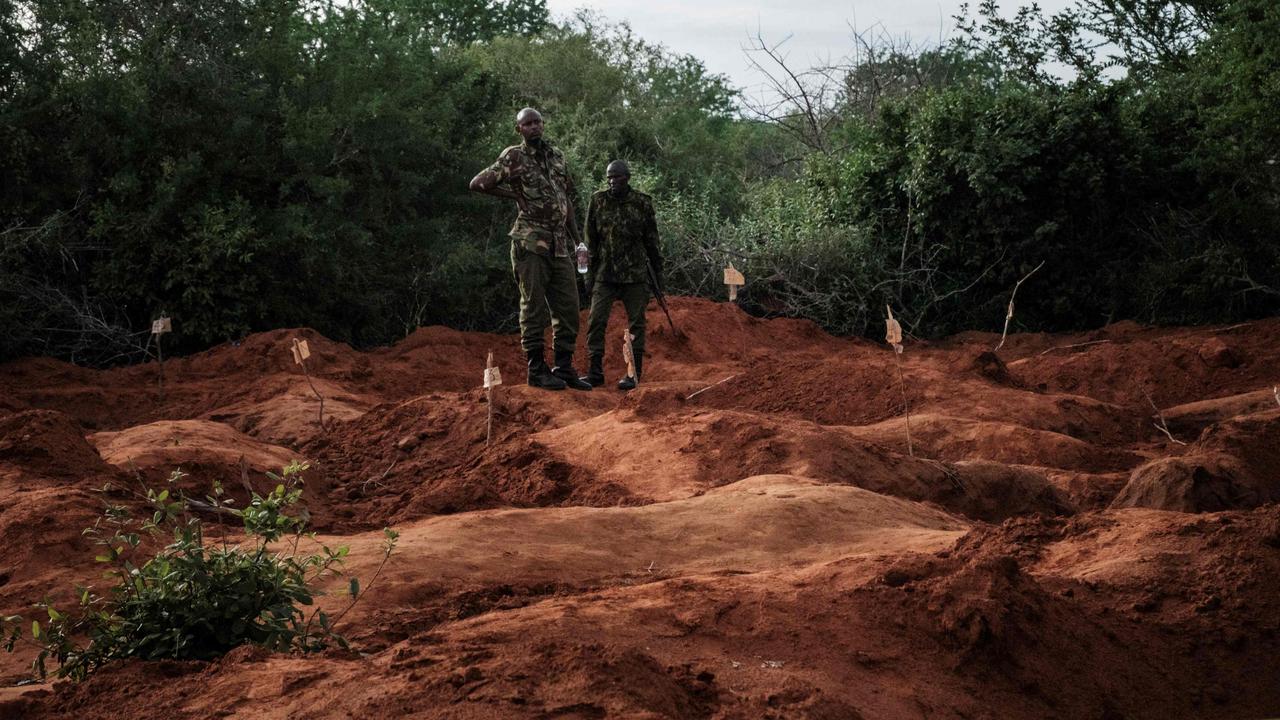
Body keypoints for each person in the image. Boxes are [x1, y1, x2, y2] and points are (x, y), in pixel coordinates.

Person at [469, 107, 591, 391]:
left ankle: (563, 367)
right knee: (533, 307)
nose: (534, 127)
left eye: (537, 122)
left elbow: (565, 199)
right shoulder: (514, 156)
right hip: (530, 242)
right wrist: (515, 195)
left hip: (559, 245)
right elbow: (478, 183)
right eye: (527, 123)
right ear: (519, 129)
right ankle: (537, 370)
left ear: (543, 125)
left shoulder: (557, 157)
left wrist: (578, 240)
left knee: (569, 308)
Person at [580, 160, 663, 391]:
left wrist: (658, 272)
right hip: (605, 274)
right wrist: (586, 273)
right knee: (596, 321)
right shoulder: (598, 201)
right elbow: (589, 242)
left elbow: (652, 241)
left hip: (635, 275)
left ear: (627, 177)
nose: (612, 181)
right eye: (609, 177)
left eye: (616, 177)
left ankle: (633, 374)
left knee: (637, 324)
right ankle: (594, 372)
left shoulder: (642, 203)